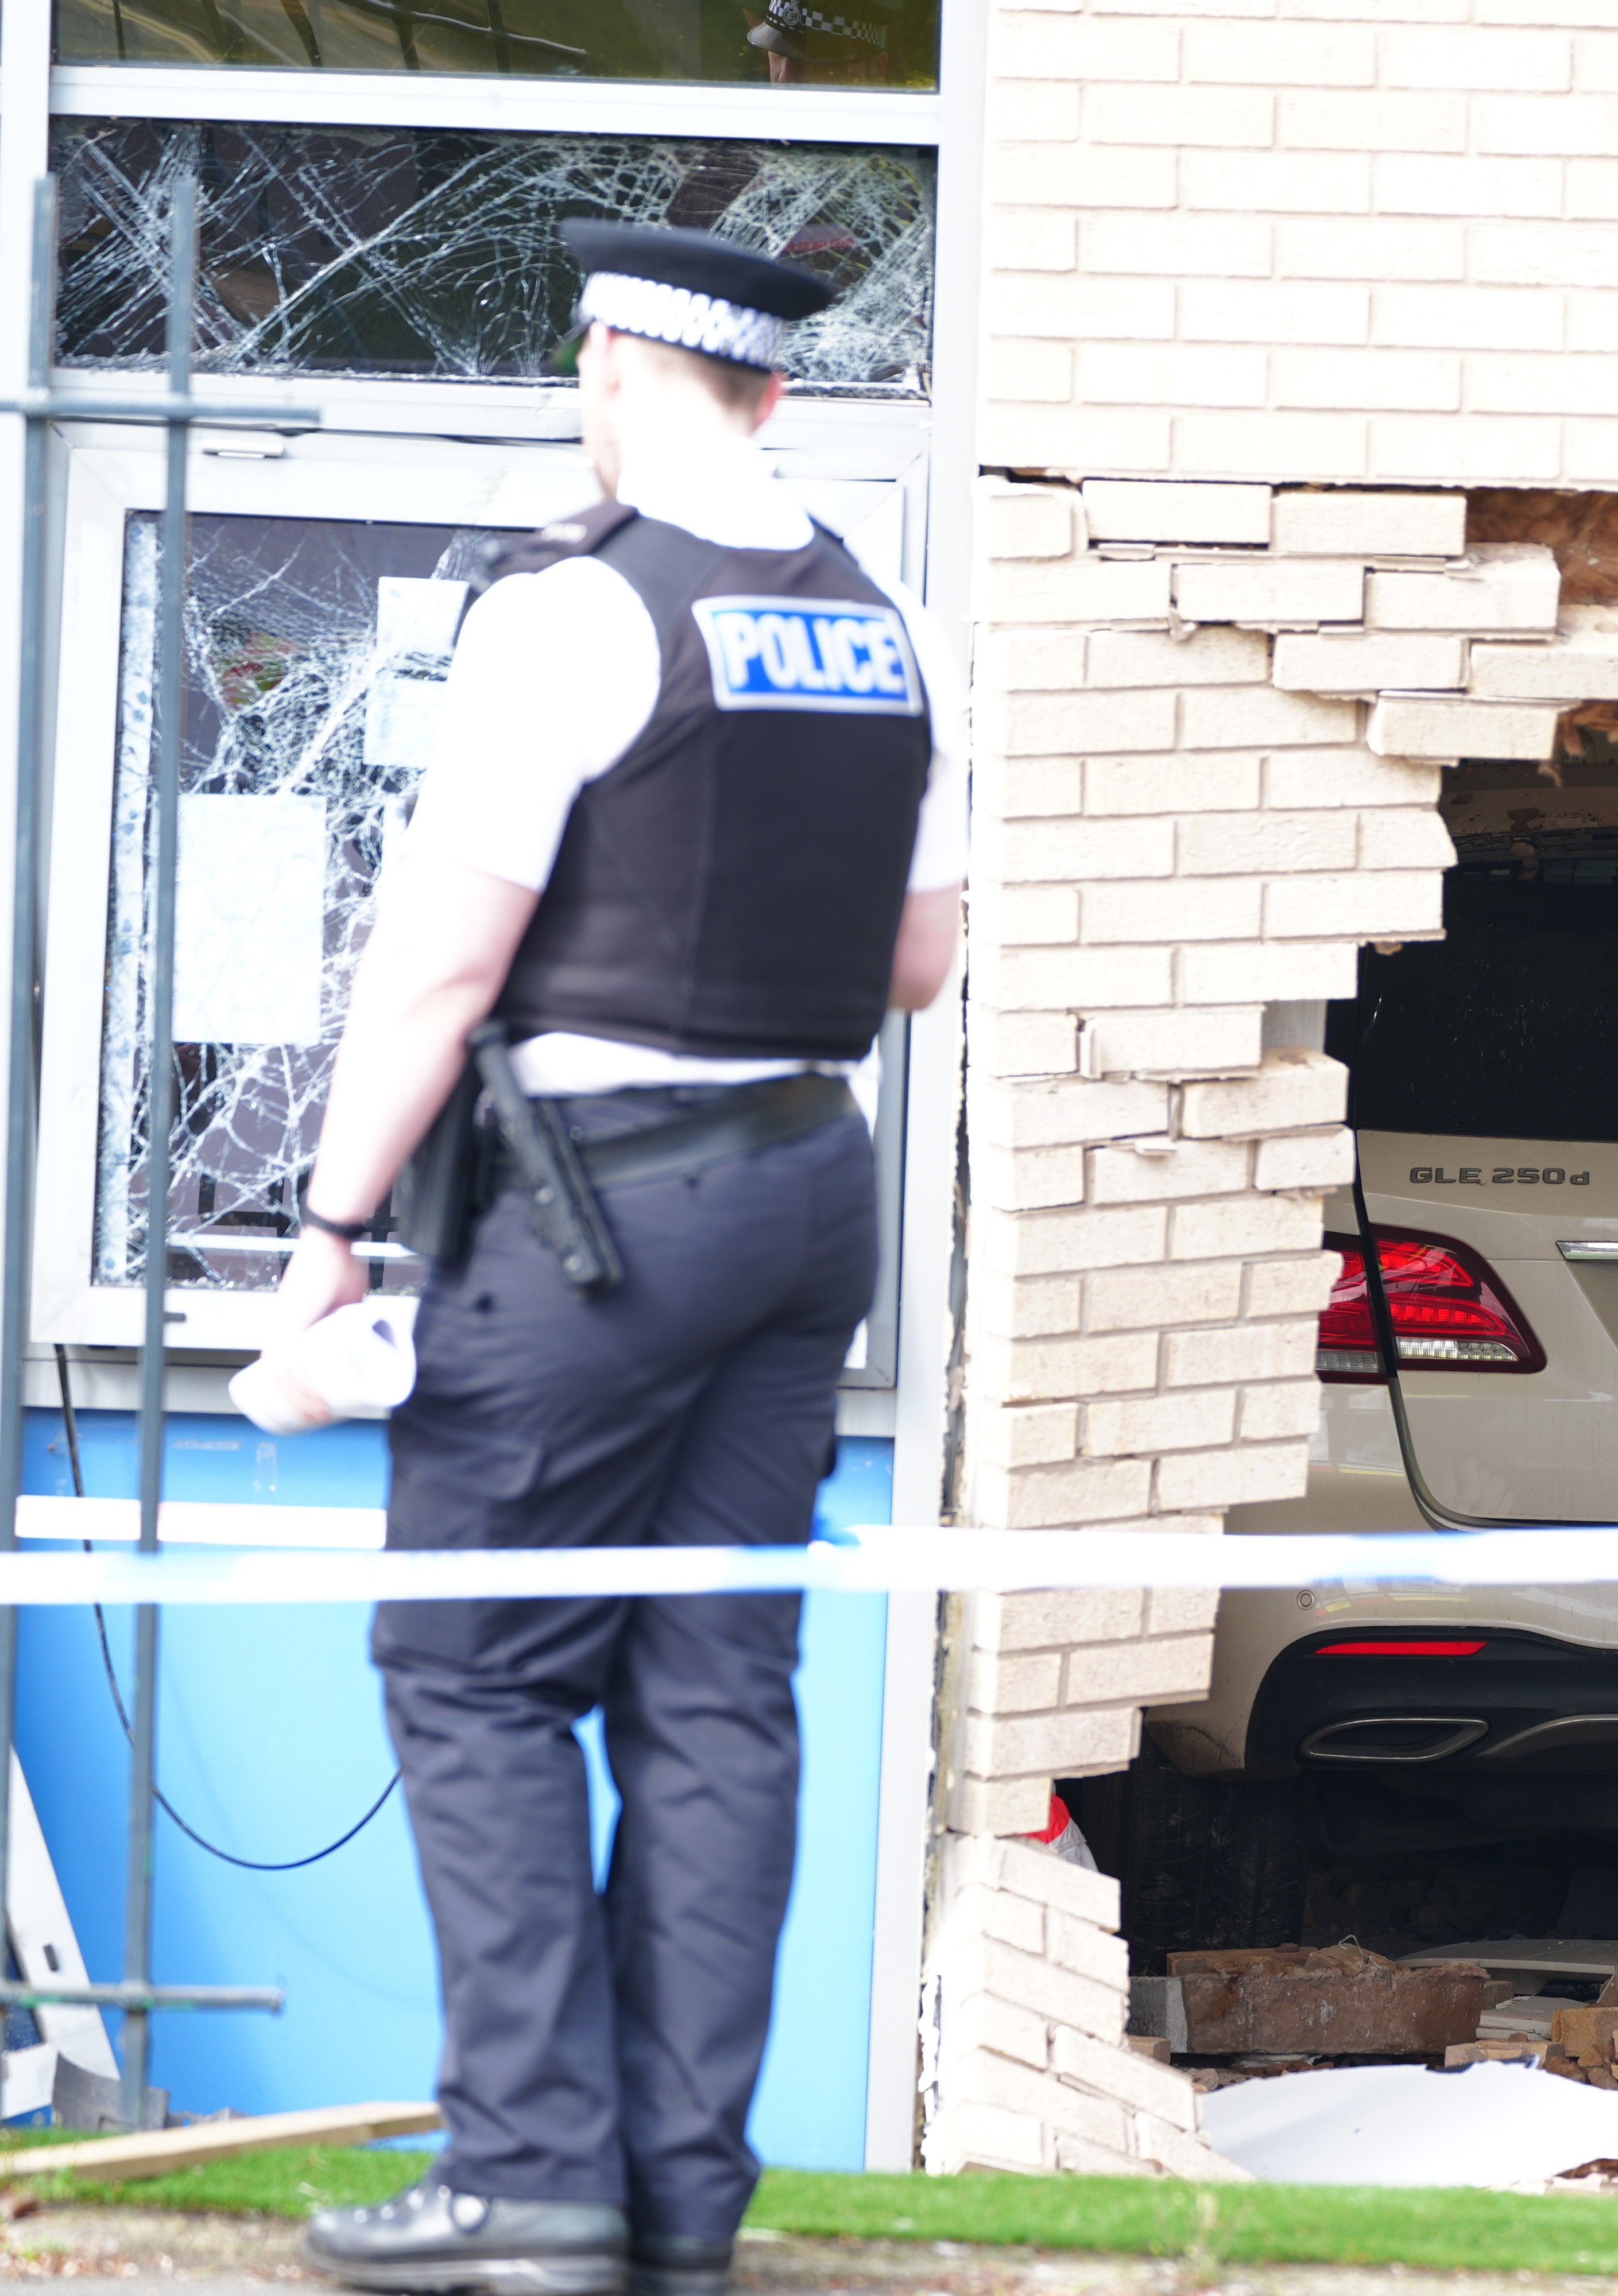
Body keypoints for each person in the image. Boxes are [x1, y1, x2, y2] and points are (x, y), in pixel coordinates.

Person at [283, 220, 964, 2296]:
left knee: (474, 1670)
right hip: (804, 1189)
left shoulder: (578, 610)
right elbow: (921, 962)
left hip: (599, 1211)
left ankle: (528, 2178)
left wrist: (325, 1241)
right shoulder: (892, 619)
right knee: (713, 1695)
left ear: (605, 369)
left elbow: (443, 967)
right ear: (772, 396)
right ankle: (679, 2201)